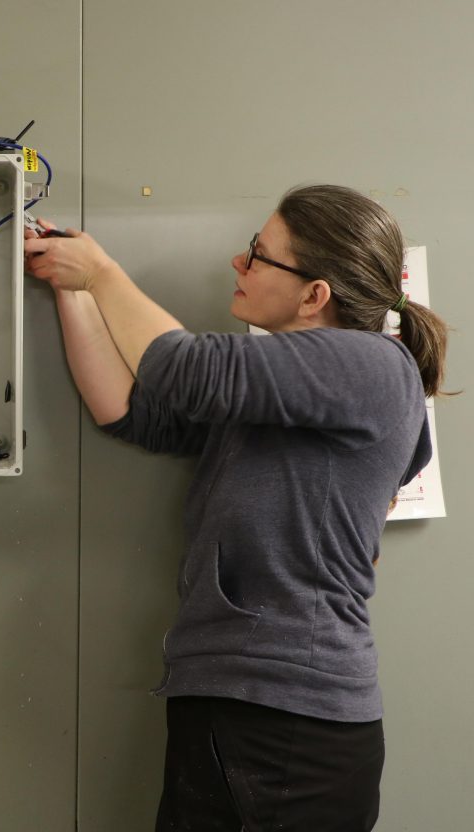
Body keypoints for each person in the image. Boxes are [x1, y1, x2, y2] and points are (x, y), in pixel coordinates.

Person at [24, 184, 446, 831]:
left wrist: (104, 274)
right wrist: (73, 291)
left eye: (259, 254)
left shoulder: (374, 365)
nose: (238, 263)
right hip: (238, 701)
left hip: (290, 722)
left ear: (315, 295)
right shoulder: (279, 400)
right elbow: (134, 411)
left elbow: (186, 369)